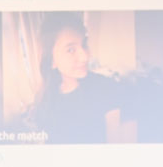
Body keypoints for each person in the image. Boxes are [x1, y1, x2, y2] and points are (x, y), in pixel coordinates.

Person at [32, 11, 135, 144]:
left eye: (84, 44)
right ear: (52, 60)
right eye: (70, 50)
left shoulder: (106, 87)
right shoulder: (43, 99)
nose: (85, 57)